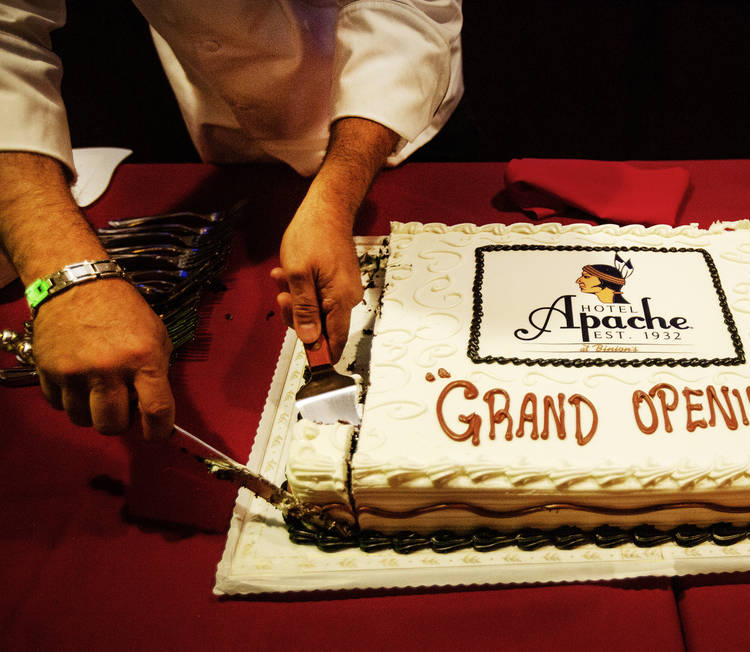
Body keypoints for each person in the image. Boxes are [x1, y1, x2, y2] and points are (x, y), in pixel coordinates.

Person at [0, 1, 463, 440]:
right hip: (226, 133)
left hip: (397, 119)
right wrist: (64, 277)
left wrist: (334, 199)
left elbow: (406, 10)